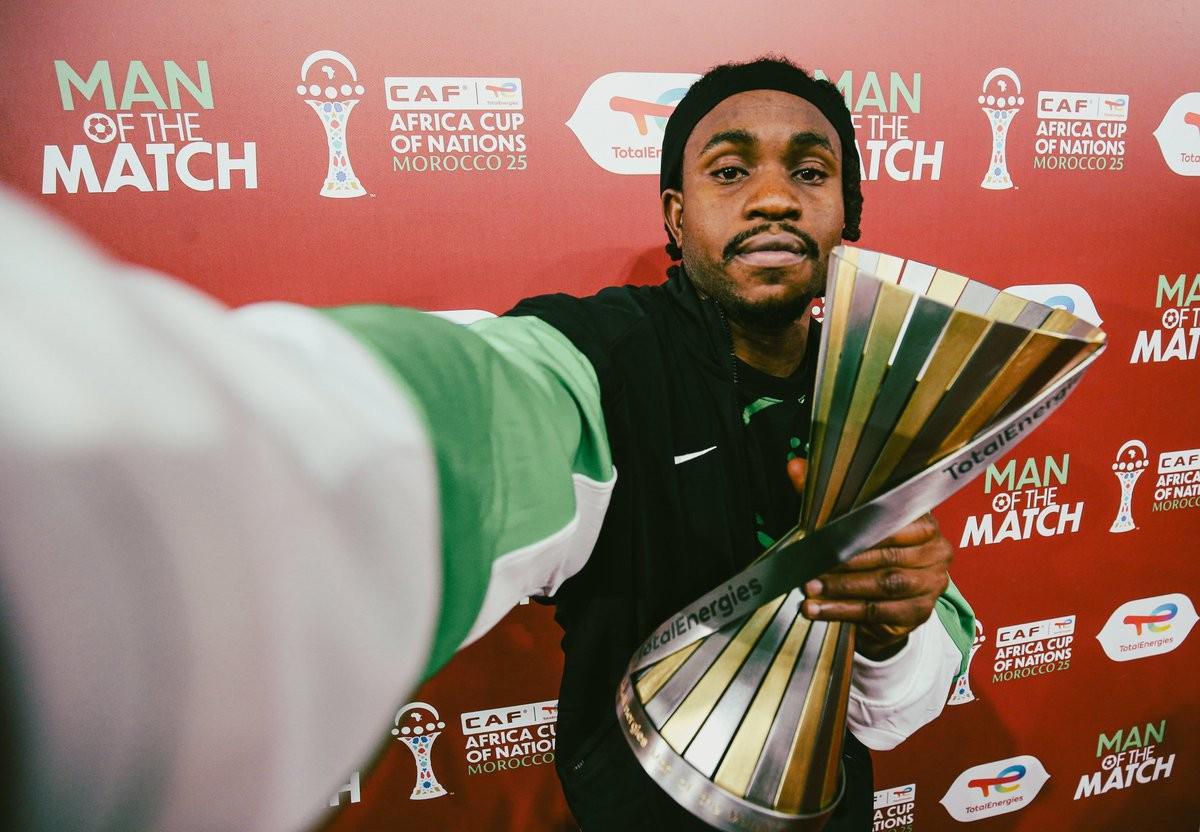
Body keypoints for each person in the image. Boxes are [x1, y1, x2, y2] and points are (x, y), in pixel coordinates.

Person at [0, 57, 970, 832]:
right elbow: (462, 412)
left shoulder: (883, 393)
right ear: (676, 216)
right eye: (728, 170)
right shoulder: (607, 361)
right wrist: (115, 497)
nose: (773, 198)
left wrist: (895, 629)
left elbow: (899, 712)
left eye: (809, 171)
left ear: (847, 214)